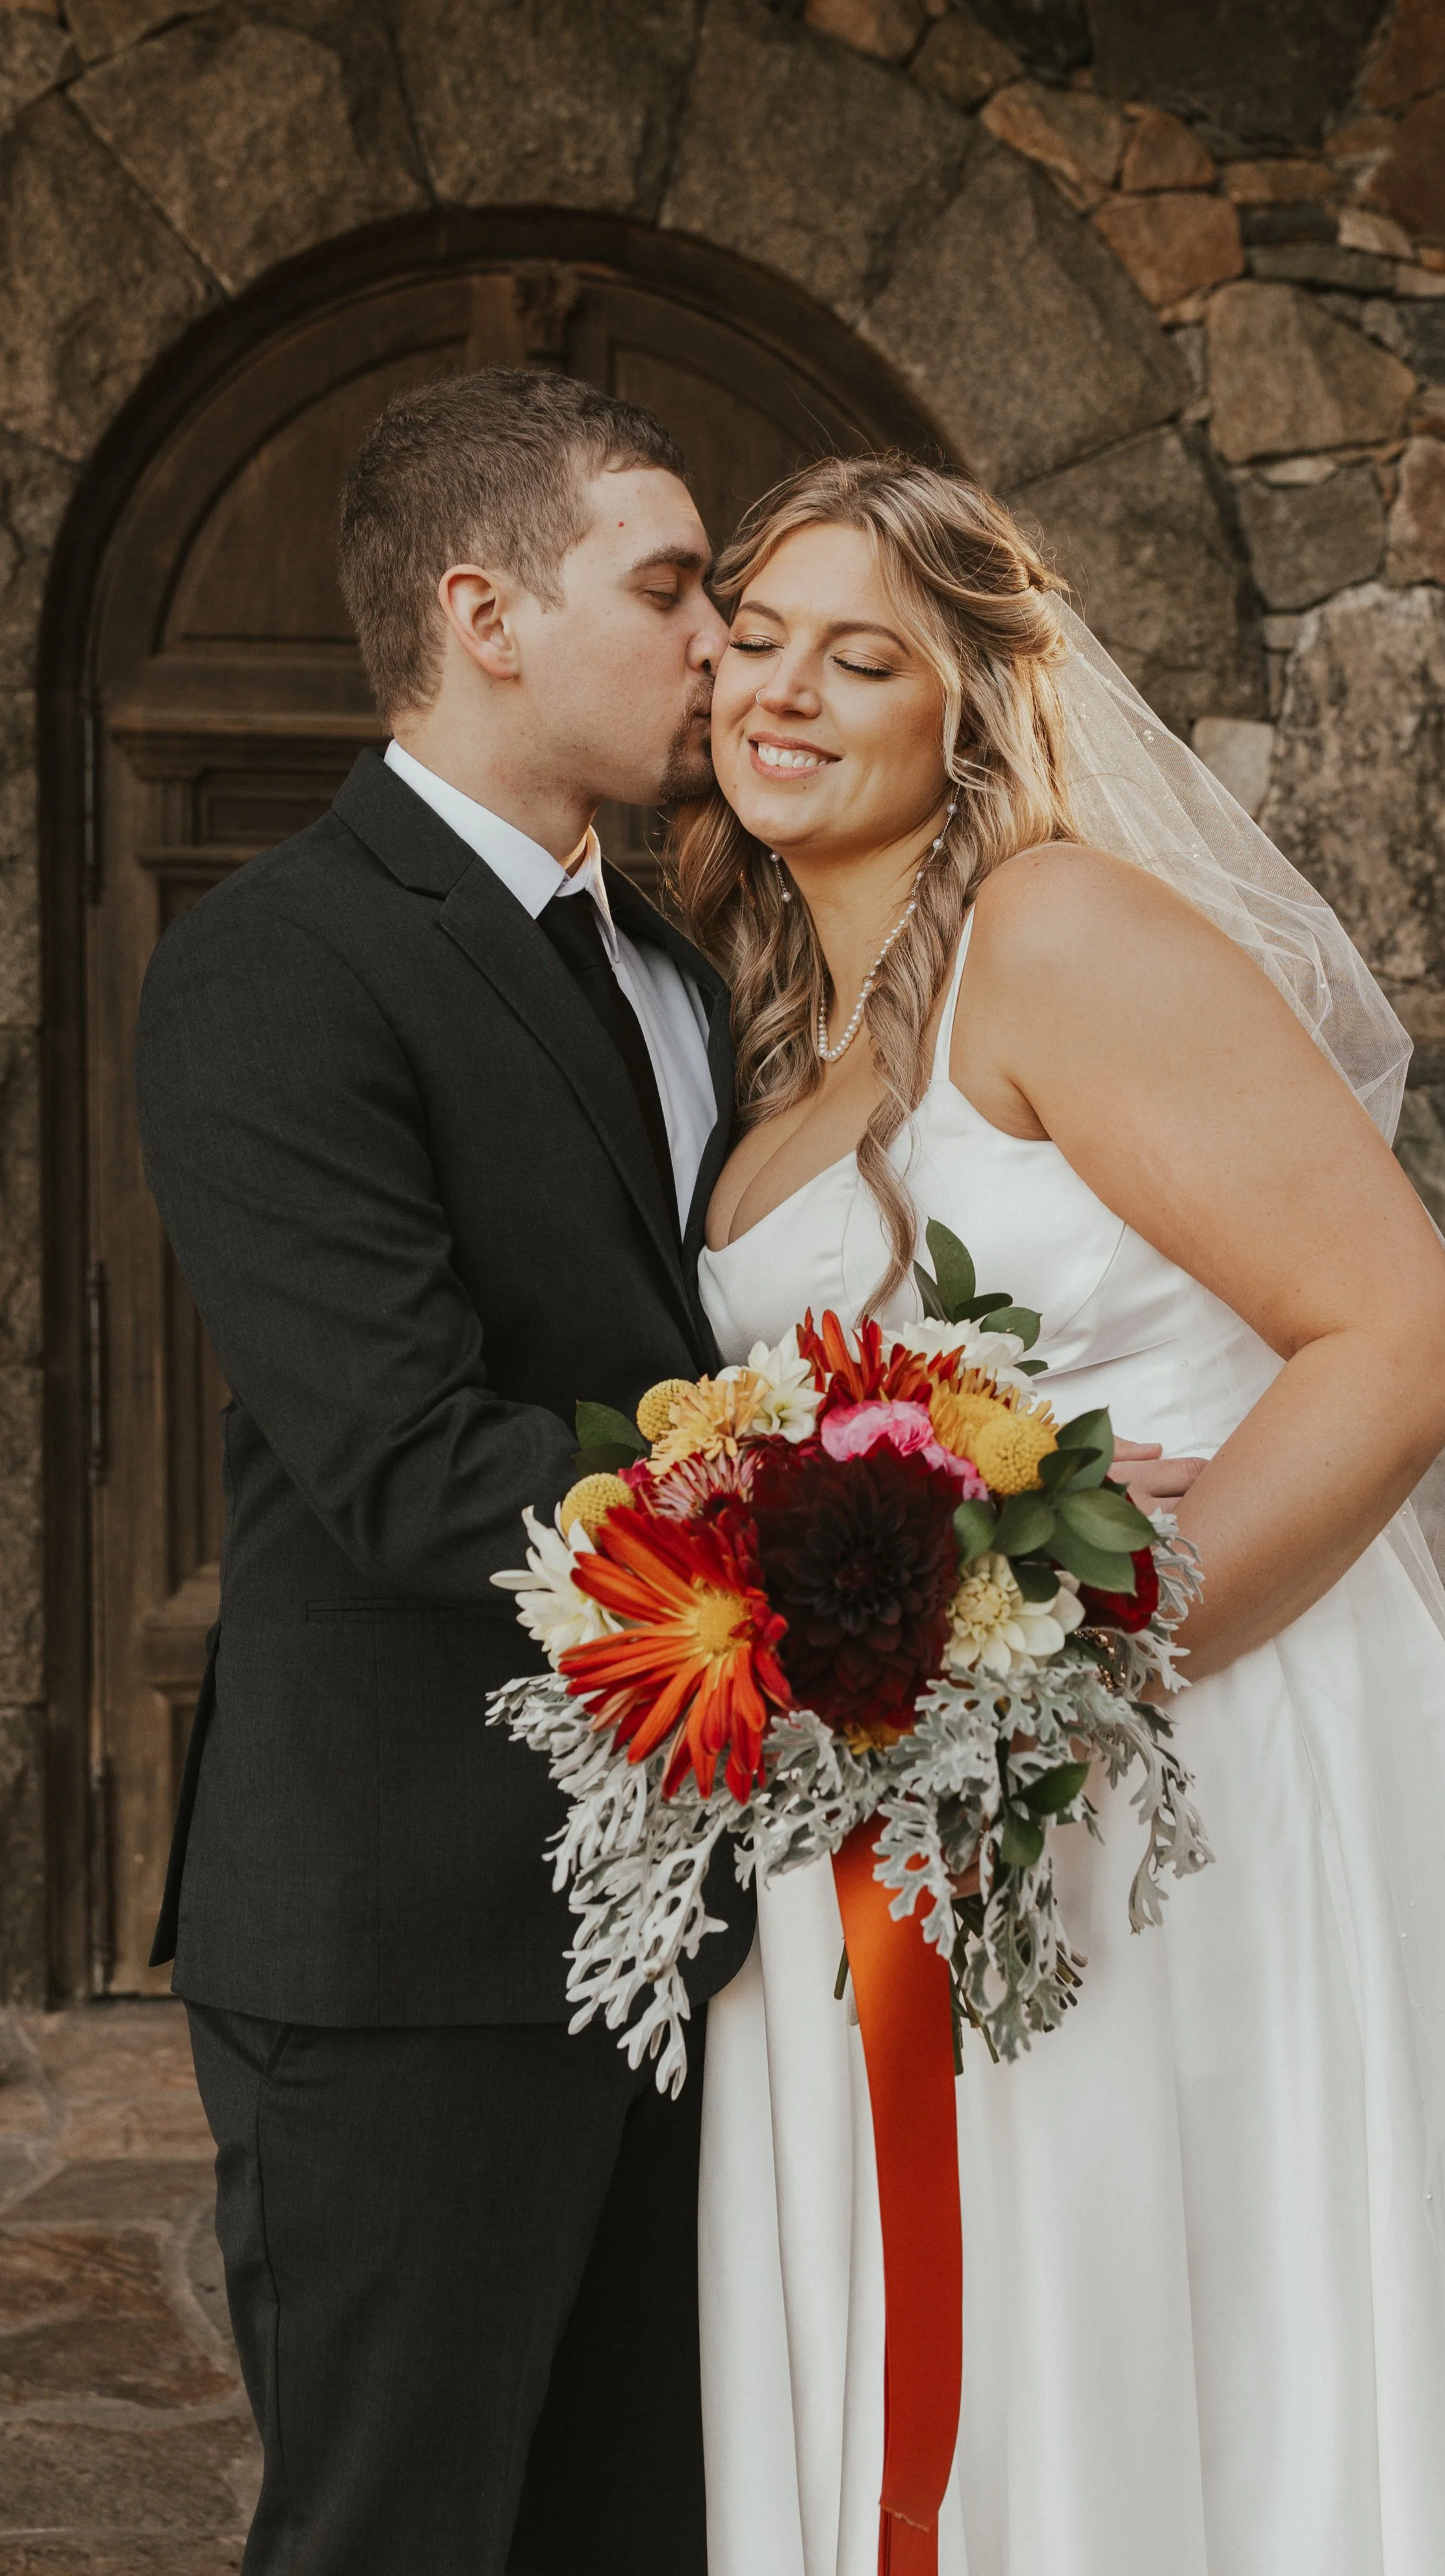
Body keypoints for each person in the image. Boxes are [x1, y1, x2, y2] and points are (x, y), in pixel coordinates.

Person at [680, 454, 1445, 2576]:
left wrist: (1059, 1671)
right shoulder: (786, 1037)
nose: (787, 695)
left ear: (973, 708)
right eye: (755, 645)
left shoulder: (1058, 928)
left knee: (1217, 2335)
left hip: (1187, 1760)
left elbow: (1395, 1339)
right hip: (909, 1797)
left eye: (862, 658)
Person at [136, 368, 751, 2576]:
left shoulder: (679, 957)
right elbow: (407, 1461)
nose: (722, 642)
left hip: (692, 1917)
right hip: (404, 1927)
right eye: (671, 587)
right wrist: (864, 1532)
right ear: (486, 613)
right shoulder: (274, 962)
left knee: (645, 2528)